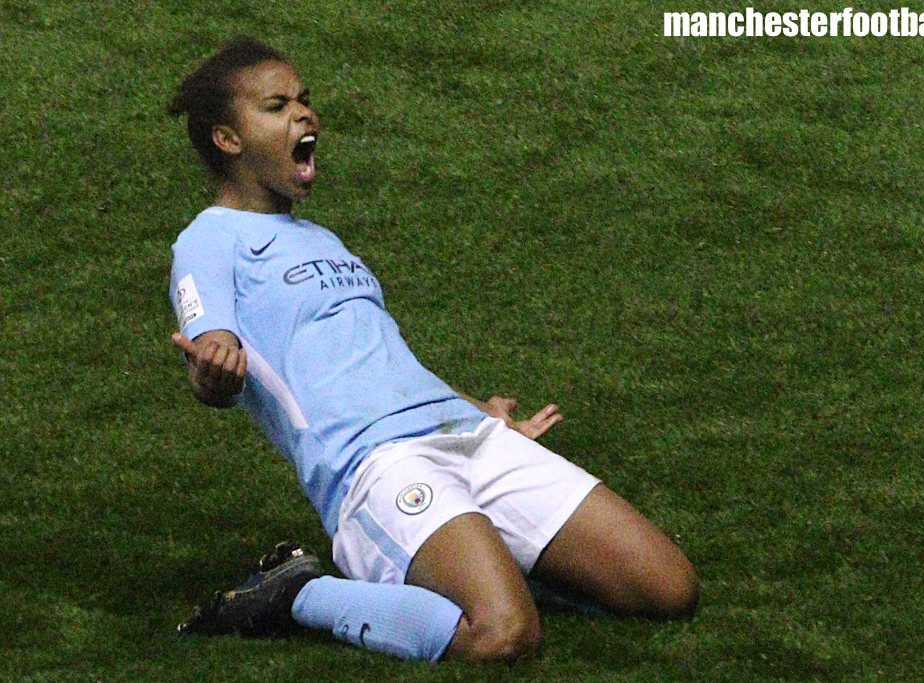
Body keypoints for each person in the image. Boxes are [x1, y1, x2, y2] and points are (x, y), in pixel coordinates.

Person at [167, 36, 698, 663]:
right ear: (228, 139)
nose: (304, 115)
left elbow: (379, 363)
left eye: (305, 100)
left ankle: (489, 558)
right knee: (503, 635)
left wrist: (480, 412)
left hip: (468, 436)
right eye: (277, 106)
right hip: (374, 467)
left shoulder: (322, 238)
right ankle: (298, 594)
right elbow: (213, 358)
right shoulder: (208, 241)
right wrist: (215, 371)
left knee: (669, 589)